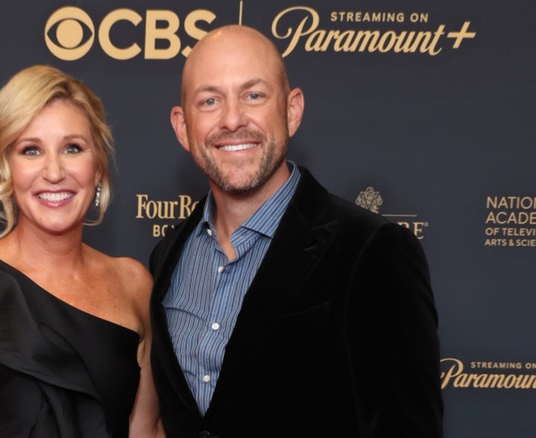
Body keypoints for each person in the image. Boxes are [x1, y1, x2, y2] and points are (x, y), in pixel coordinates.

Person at [149, 25, 443, 437]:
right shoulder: (167, 258)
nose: (233, 120)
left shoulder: (370, 252)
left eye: (253, 95)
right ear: (183, 127)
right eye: (210, 100)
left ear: (292, 111)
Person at [0, 65, 163, 438]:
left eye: (72, 148)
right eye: (31, 150)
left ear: (98, 167)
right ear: (6, 167)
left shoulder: (133, 284)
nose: (54, 172)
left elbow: (145, 432)